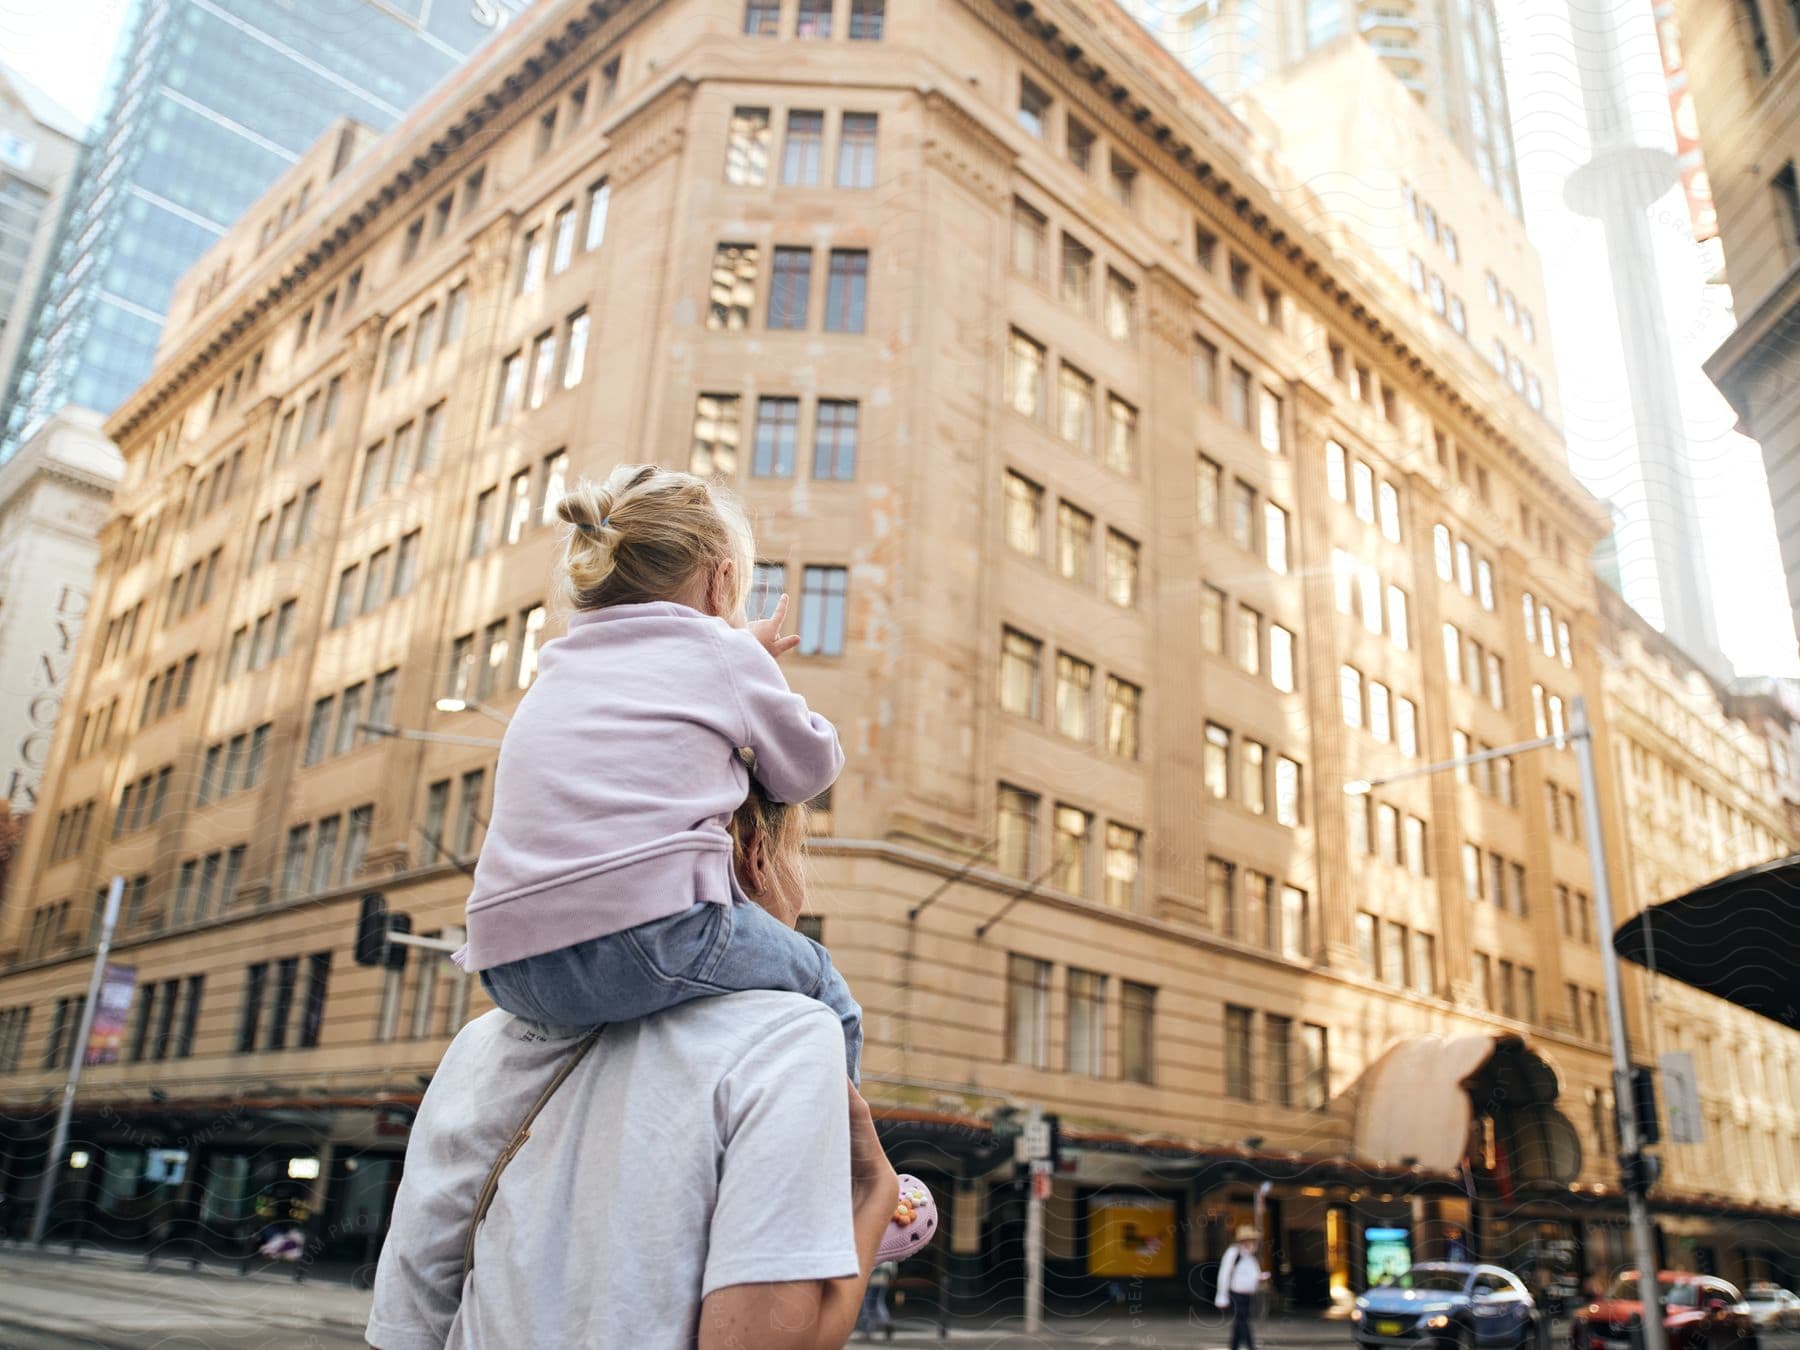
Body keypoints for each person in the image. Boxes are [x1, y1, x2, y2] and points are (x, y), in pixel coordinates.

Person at [369, 787, 901, 1349]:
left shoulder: (481, 1042)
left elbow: (404, 1327)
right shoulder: (790, 1034)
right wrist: (871, 1202)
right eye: (800, 853)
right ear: (755, 851)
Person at [460, 463, 862, 1080]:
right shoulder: (724, 651)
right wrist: (753, 662)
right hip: (644, 939)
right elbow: (807, 770)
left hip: (506, 965)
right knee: (825, 994)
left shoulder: (558, 665)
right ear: (723, 580)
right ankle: (859, 1173)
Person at [1215, 1225, 1268, 1350]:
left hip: (1247, 1294)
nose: (1251, 1243)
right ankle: (1250, 1346)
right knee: (1243, 1321)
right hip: (1236, 1294)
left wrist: (1260, 1278)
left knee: (1240, 1322)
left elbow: (1253, 1275)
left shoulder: (1250, 1257)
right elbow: (1224, 1274)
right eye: (1249, 1240)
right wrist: (1222, 1296)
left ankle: (1234, 1346)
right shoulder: (1233, 1253)